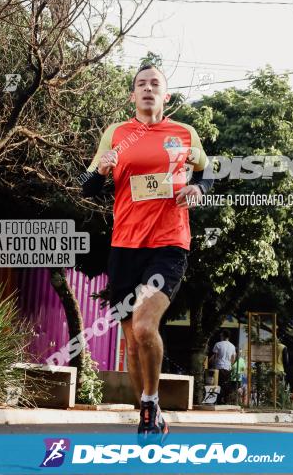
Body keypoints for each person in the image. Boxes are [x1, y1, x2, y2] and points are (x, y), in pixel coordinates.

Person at [80, 63, 214, 437]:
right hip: (125, 245)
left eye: (156, 84)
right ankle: (147, 411)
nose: (148, 89)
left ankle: (151, 402)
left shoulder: (184, 133)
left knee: (143, 325)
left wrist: (199, 189)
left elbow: (208, 170)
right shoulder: (117, 134)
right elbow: (85, 186)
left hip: (169, 243)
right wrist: (101, 172)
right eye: (141, 84)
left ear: (165, 95)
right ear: (132, 96)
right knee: (131, 341)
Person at [210, 329, 237, 404]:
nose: (220, 335)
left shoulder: (218, 344)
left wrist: (212, 365)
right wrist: (230, 364)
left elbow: (215, 356)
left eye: (221, 334)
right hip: (227, 368)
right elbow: (233, 358)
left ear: (223, 335)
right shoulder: (232, 346)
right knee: (225, 384)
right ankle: (225, 400)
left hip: (219, 367)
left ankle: (218, 401)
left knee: (217, 384)